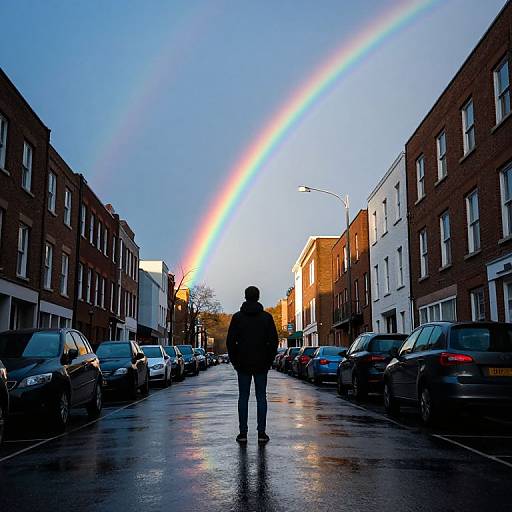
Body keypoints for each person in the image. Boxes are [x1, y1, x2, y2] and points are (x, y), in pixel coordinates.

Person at [226, 286, 278, 443]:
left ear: (245, 296)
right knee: (261, 397)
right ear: (258, 297)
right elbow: (273, 342)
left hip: (242, 365)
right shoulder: (267, 318)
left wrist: (235, 362)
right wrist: (269, 360)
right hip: (262, 365)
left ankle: (243, 434)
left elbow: (230, 342)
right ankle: (261, 433)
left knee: (243, 397)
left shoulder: (237, 318)